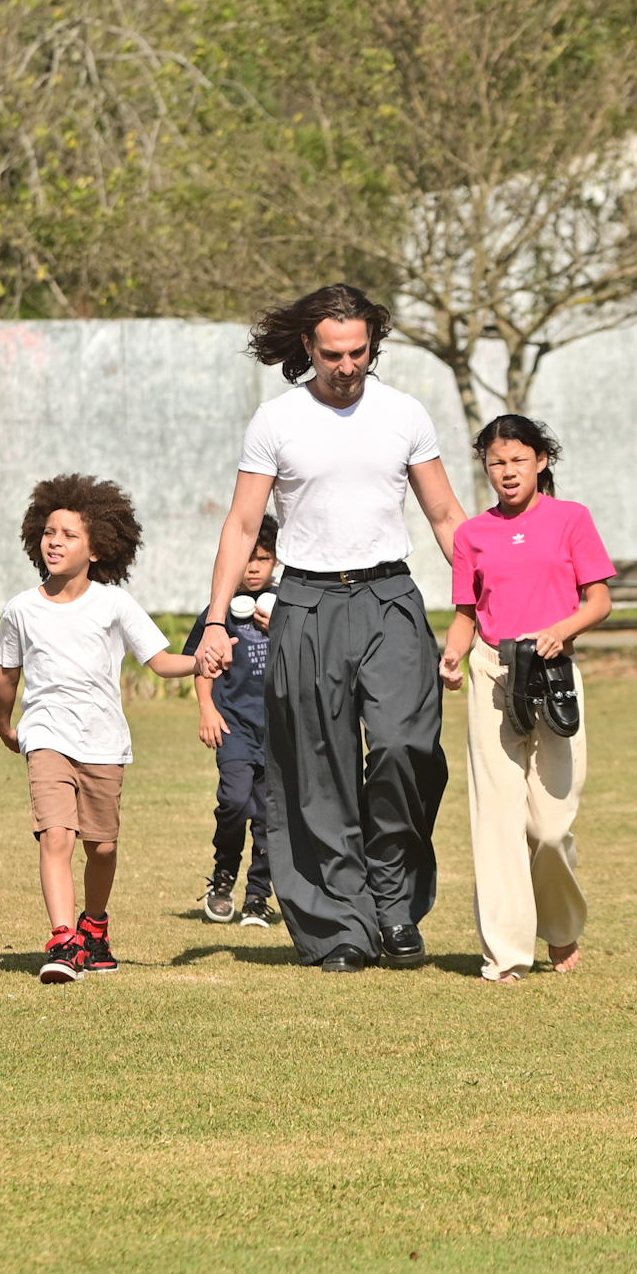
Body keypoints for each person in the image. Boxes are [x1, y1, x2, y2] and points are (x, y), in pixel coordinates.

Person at [194, 285, 469, 973]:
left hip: (390, 596)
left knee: (409, 746)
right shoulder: (277, 421)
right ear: (307, 350)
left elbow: (444, 515)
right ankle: (342, 926)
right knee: (319, 771)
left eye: (359, 352)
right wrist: (216, 620)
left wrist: (484, 596)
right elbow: (239, 524)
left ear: (372, 345)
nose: (347, 366)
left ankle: (393, 899)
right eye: (333, 354)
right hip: (308, 602)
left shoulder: (404, 413)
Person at [0, 475, 199, 984]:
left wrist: (203, 661)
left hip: (103, 740)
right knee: (55, 835)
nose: (55, 541)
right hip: (44, 735)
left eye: (69, 534)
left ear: (99, 547)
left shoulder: (113, 605)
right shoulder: (21, 608)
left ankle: (95, 927)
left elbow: (162, 660)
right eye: (48, 532)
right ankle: (64, 941)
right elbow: (6, 672)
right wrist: (4, 721)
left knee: (101, 846)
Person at [439, 416, 614, 983]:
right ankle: (506, 952)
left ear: (541, 461)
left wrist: (563, 630)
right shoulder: (472, 535)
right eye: (496, 463)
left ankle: (561, 928)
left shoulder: (572, 519)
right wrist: (454, 655)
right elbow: (467, 610)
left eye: (517, 460)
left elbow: (599, 601)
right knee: (496, 819)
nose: (507, 472)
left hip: (554, 669)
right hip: (493, 668)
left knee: (549, 825)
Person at [183, 514, 280, 926]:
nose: (254, 568)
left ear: (276, 562)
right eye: (246, 559)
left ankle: (259, 895)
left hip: (279, 730)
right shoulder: (218, 612)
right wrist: (207, 708)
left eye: (263, 559)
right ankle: (223, 877)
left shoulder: (287, 609)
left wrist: (283, 628)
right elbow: (200, 664)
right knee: (236, 801)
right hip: (234, 726)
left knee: (269, 815)